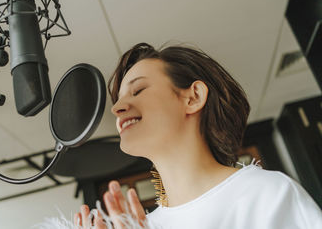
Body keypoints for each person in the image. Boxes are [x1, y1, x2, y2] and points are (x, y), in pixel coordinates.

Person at [73, 43, 322, 228]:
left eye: (138, 90)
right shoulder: (146, 226)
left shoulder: (267, 195)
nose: (117, 109)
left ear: (193, 98)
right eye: (118, 101)